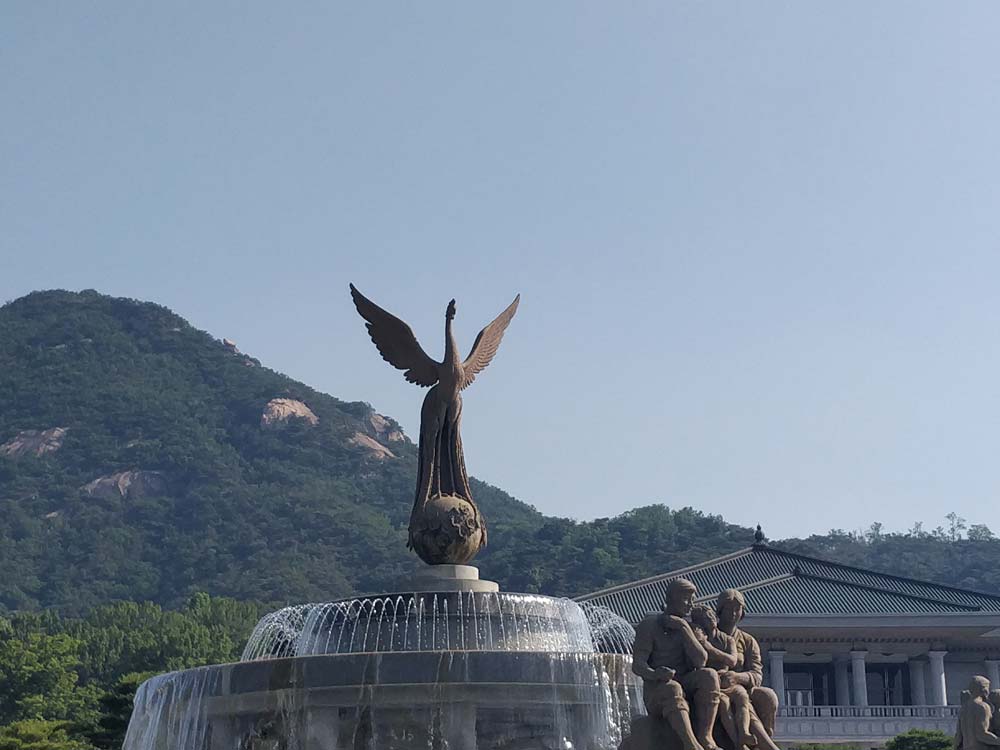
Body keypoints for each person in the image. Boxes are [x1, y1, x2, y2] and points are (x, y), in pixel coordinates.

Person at [632, 578, 721, 750]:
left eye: (693, 599)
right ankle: (690, 744)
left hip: (685, 682)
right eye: (686, 599)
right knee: (673, 687)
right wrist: (654, 674)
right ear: (671, 598)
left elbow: (701, 661)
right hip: (658, 689)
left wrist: (684, 628)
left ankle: (705, 736)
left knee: (709, 675)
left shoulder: (689, 628)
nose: (691, 604)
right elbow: (638, 664)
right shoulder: (649, 625)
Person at [715, 589, 780, 748]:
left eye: (737, 609)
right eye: (728, 609)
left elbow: (757, 675)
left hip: (741, 687)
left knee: (768, 696)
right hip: (716, 687)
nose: (733, 613)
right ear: (720, 610)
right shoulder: (709, 635)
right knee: (741, 702)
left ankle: (760, 741)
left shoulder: (748, 641)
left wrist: (737, 677)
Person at [690, 604, 754, 749]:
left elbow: (732, 661)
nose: (711, 619)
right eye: (706, 618)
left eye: (711, 615)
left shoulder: (727, 639)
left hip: (728, 680)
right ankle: (738, 744)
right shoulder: (698, 640)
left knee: (742, 697)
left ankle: (744, 732)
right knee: (724, 704)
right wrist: (700, 643)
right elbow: (698, 662)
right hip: (712, 685)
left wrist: (709, 648)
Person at [956, 677, 1000, 750]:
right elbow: (981, 734)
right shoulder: (983, 707)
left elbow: (958, 737)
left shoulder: (963, 708)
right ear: (984, 689)